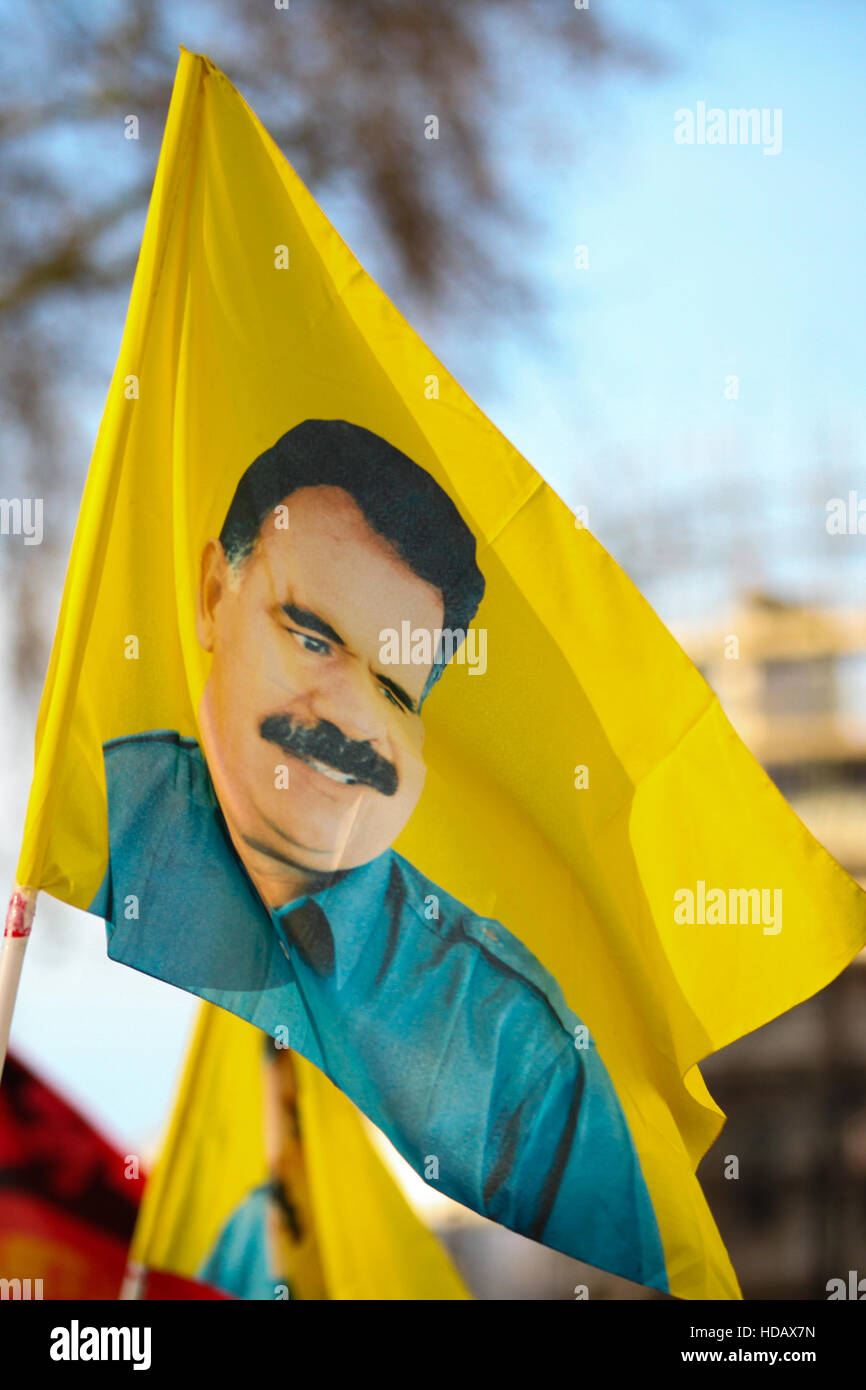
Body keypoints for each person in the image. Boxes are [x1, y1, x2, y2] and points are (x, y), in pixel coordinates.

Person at [90, 419, 667, 1290]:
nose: (352, 718)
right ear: (213, 593)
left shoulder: (518, 1053)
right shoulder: (92, 827)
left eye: (396, 689)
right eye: (314, 638)